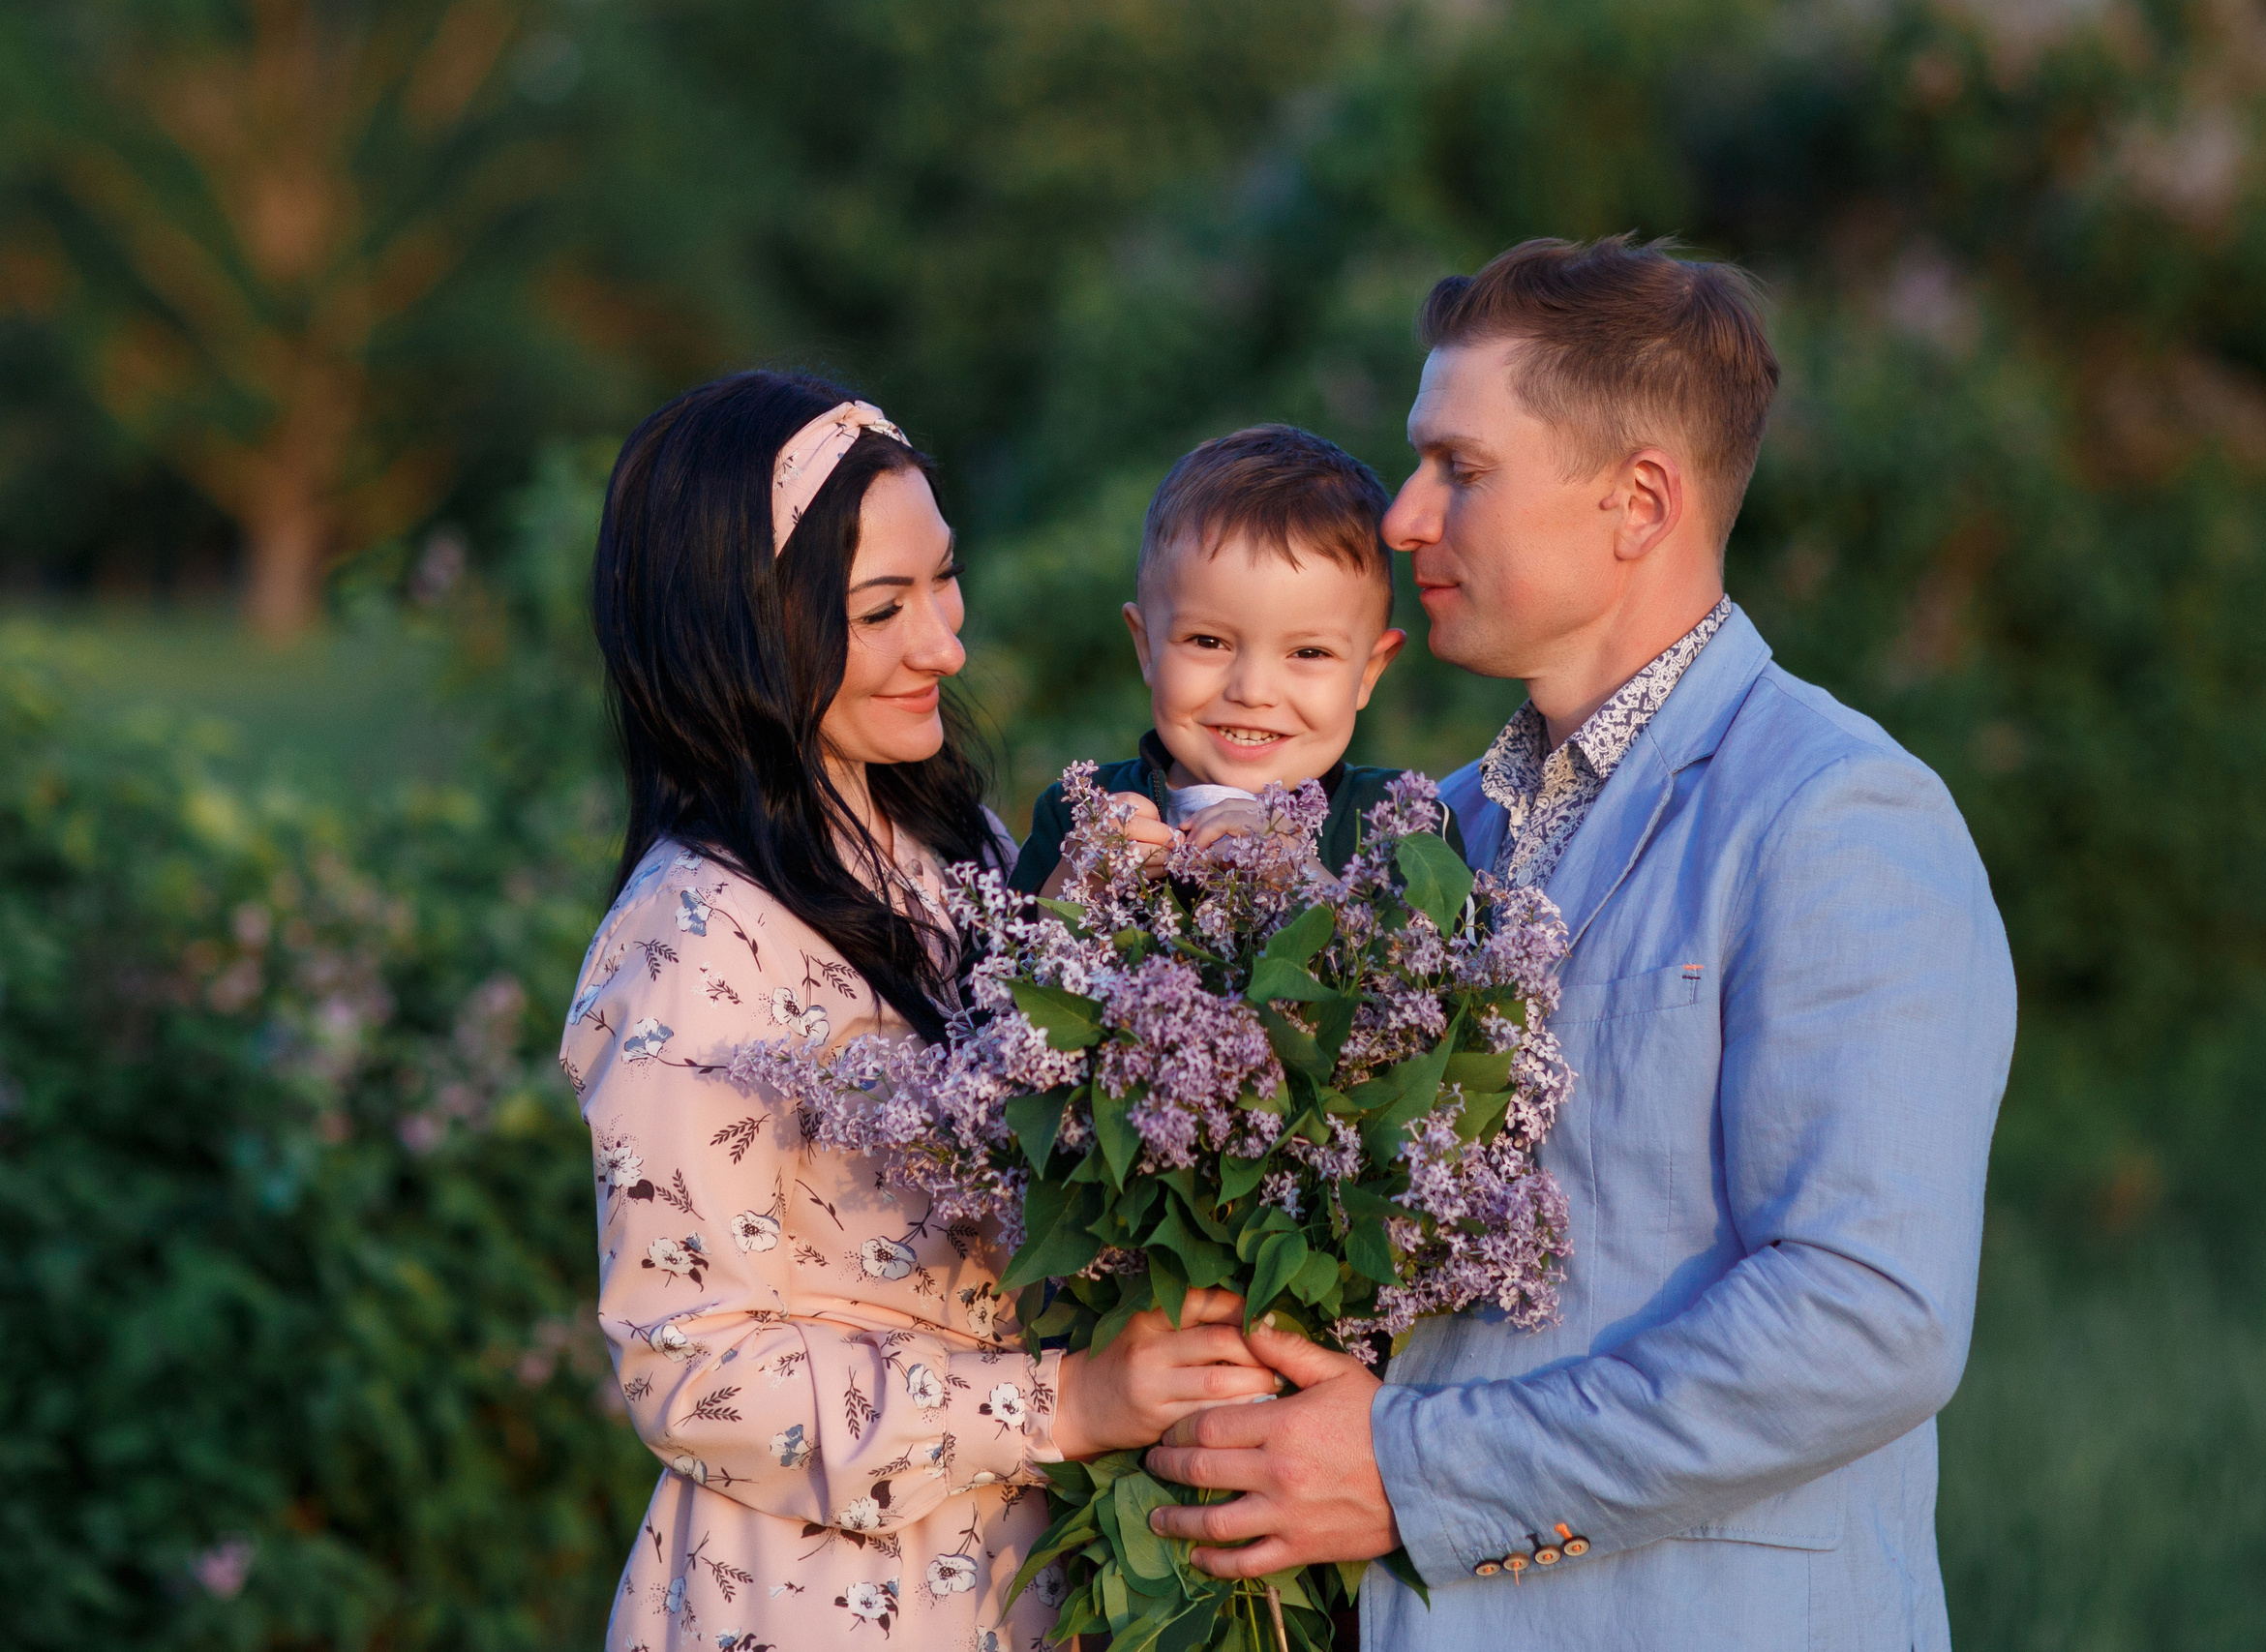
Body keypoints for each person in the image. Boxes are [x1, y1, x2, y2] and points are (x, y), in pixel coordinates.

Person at [1143, 238, 2017, 1649]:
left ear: (1639, 501)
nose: (1405, 516)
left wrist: (1411, 1469)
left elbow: (1871, 1316)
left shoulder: (1837, 811)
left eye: (1459, 467)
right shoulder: (1447, 827)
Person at [564, 371, 1279, 1651]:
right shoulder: (688, 937)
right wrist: (1064, 1403)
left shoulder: (954, 843)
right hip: (810, 1602)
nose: (946, 644)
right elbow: (693, 1371)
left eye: (944, 580)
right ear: (739, 632)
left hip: (1035, 1579)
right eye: (881, 608)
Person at [1008, 424, 1450, 899]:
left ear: (1368, 673)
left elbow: (1452, 970)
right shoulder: (1080, 813)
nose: (1252, 691)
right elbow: (996, 967)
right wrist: (1071, 889)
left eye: (1308, 652)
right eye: (1208, 642)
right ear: (1147, 647)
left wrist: (1310, 887)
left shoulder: (1403, 819)